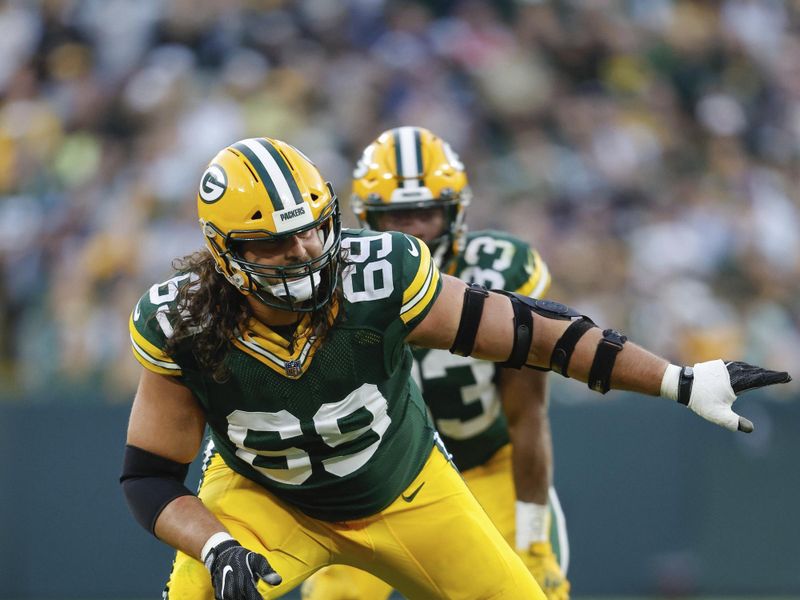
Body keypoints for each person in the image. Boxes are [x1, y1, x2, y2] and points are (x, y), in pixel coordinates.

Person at [121, 136, 790, 600]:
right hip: (265, 501)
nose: (303, 251)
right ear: (224, 250)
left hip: (406, 488)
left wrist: (678, 380)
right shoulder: (183, 319)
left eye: (314, 228)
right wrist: (213, 545)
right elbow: (149, 475)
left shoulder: (379, 272)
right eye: (273, 242)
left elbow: (533, 334)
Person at [302, 126, 569, 600]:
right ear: (366, 217)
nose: (415, 230)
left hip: (485, 468)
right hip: (379, 482)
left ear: (456, 211)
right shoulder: (332, 285)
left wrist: (532, 537)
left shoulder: (499, 270)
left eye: (427, 211)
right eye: (397, 216)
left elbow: (527, 415)